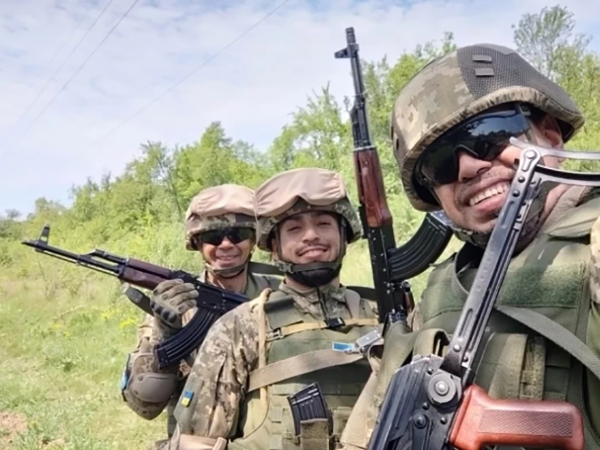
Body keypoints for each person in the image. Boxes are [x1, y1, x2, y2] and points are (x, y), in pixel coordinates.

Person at [339, 43, 600, 449]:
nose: (468, 167)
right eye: (440, 163)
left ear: (549, 134)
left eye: (489, 136)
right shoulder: (440, 291)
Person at [168, 167, 381, 450]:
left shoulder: (383, 318)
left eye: (323, 223)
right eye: (294, 229)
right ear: (275, 246)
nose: (311, 235)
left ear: (345, 235)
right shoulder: (241, 327)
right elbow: (195, 442)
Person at [121, 184, 280, 450]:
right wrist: (166, 331)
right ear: (197, 243)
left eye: (238, 234)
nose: (226, 244)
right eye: (213, 236)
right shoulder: (177, 304)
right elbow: (144, 406)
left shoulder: (277, 296)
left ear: (253, 240)